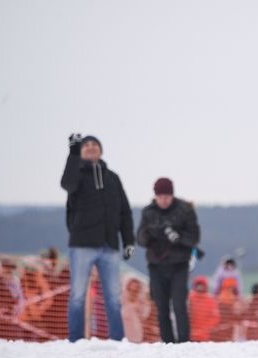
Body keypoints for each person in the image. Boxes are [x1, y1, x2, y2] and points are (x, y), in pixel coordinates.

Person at [61, 134, 135, 342]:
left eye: (95, 145)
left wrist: (128, 240)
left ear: (101, 150)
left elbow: (125, 212)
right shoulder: (76, 175)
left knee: (113, 297)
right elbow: (66, 184)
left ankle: (118, 340)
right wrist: (73, 153)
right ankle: (75, 340)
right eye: (86, 145)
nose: (91, 147)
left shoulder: (113, 178)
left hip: (109, 244)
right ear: (81, 151)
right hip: (82, 244)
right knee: (77, 295)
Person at [136, 177, 200, 343]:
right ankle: (167, 342)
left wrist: (177, 238)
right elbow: (140, 239)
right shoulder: (148, 212)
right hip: (156, 266)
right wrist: (149, 234)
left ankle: (184, 342)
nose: (164, 200)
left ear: (172, 195)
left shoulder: (185, 210)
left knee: (179, 305)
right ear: (155, 196)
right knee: (161, 306)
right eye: (160, 196)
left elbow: (194, 238)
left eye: (167, 196)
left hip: (179, 265)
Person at [188, 276, 220, 342]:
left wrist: (205, 328)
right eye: (198, 285)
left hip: (204, 335)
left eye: (201, 285)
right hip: (190, 334)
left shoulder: (210, 300)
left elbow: (215, 318)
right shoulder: (189, 298)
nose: (200, 287)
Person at [121, 277, 151, 343]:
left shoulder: (141, 304)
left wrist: (145, 302)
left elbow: (144, 315)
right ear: (127, 288)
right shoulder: (121, 301)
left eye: (135, 290)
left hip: (135, 333)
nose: (132, 292)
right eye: (130, 289)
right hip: (121, 332)